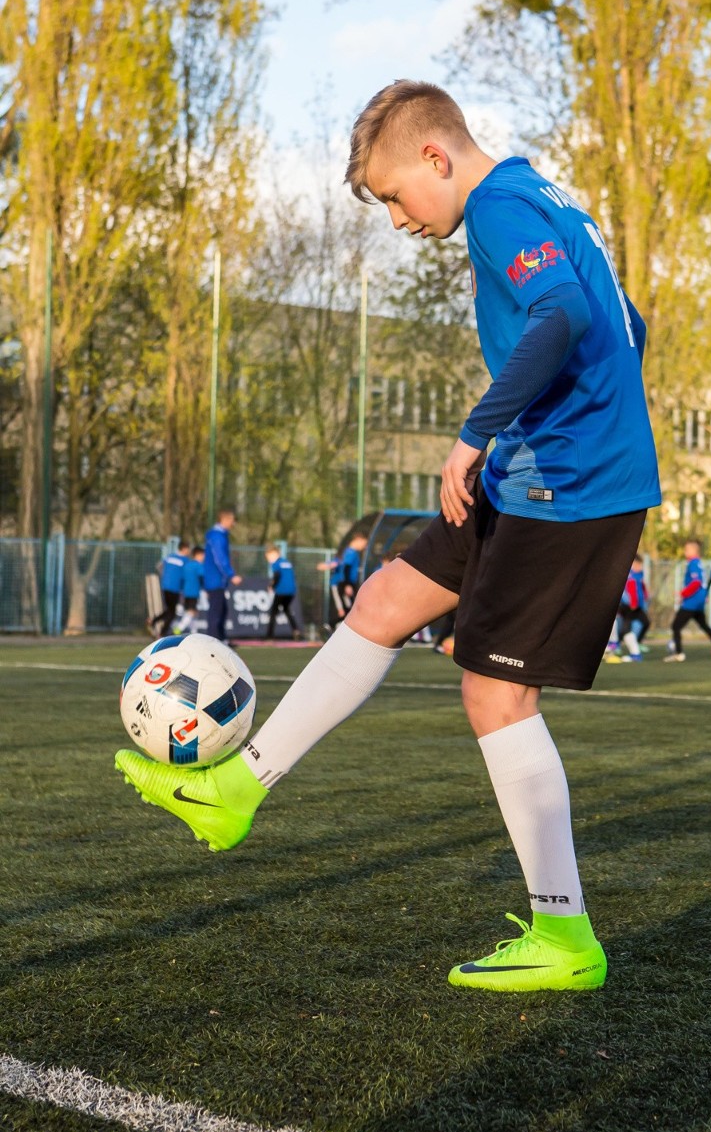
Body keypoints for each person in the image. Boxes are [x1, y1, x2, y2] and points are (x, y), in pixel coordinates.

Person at [116, 78, 661, 994]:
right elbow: (625, 324)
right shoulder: (545, 197)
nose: (400, 220)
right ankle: (235, 790)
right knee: (384, 601)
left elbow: (564, 315)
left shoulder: (496, 205)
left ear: (435, 158)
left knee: (495, 699)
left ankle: (566, 938)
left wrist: (480, 429)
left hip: (570, 486)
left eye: (396, 196)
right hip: (533, 468)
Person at [665, 539, 711, 662]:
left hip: (691, 603)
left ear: (694, 551)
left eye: (687, 549)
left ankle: (679, 653)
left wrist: (683, 593)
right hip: (699, 602)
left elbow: (696, 582)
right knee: (705, 626)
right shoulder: (698, 563)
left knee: (675, 626)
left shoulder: (693, 563)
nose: (685, 551)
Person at [203, 509, 242, 643]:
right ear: (224, 520)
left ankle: (220, 638)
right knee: (216, 611)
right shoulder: (217, 536)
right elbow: (220, 558)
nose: (233, 523)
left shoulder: (220, 535)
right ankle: (214, 641)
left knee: (222, 609)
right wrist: (231, 575)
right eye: (232, 520)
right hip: (215, 579)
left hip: (218, 579)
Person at [317, 533, 368, 630]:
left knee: (350, 610)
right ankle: (329, 626)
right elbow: (346, 568)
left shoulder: (351, 553)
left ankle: (333, 627)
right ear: (358, 540)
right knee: (345, 611)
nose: (364, 547)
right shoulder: (350, 553)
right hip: (342, 584)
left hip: (347, 584)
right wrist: (347, 585)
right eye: (364, 544)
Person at [148, 541, 190, 637]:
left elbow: (158, 565)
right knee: (172, 613)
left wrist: (165, 576)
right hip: (175, 588)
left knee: (170, 610)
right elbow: (187, 575)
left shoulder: (169, 557)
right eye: (188, 549)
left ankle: (153, 621)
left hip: (165, 586)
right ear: (184, 549)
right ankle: (162, 633)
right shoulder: (185, 560)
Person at [265, 545, 301, 641]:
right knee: (286, 609)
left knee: (273, 612)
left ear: (275, 554)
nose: (268, 560)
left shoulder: (276, 563)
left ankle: (269, 636)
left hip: (281, 591)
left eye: (269, 557)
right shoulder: (287, 562)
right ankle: (296, 630)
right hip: (291, 591)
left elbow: (277, 575)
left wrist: (272, 586)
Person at [617, 556, 650, 661]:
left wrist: (645, 595)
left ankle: (635, 647)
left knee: (646, 623)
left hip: (637, 606)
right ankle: (634, 653)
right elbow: (631, 590)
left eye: (640, 565)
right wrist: (633, 603)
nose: (640, 567)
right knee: (626, 629)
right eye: (637, 565)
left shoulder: (639, 575)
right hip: (630, 607)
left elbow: (642, 587)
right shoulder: (631, 576)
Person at [175, 546, 205, 635]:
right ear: (198, 555)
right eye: (203, 555)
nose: (204, 557)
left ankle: (194, 632)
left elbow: (182, 578)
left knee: (194, 612)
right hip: (194, 592)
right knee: (191, 612)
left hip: (186, 592)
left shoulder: (187, 565)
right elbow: (202, 577)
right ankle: (179, 628)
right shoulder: (198, 565)